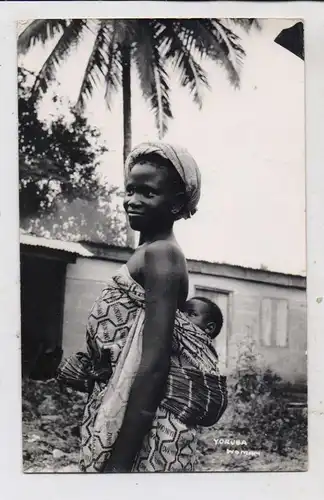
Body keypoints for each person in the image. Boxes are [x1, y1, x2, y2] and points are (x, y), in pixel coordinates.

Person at [57, 142, 227, 473]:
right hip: (124, 412)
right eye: (131, 189)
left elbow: (153, 366)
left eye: (148, 193)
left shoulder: (162, 254)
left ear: (177, 204)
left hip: (144, 432)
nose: (133, 201)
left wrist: (120, 462)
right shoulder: (148, 252)